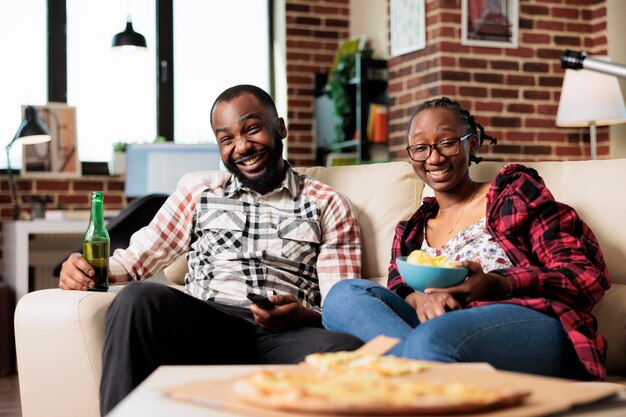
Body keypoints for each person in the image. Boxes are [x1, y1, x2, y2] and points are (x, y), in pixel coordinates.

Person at [59, 84, 363, 415]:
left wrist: (303, 314)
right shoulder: (199, 191)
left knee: (345, 348)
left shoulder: (327, 203)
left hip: (284, 334)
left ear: (280, 127)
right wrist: (87, 270)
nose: (242, 147)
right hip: (206, 325)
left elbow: (340, 304)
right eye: (227, 139)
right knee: (137, 298)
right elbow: (134, 262)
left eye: (252, 129)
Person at [322, 96, 610, 381]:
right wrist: (418, 301)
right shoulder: (410, 231)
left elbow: (584, 276)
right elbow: (399, 289)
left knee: (432, 338)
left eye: (446, 143)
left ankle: (414, 370)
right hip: (435, 327)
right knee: (344, 297)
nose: (433, 158)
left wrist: (498, 283)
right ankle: (430, 372)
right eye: (420, 148)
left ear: (471, 143)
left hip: (525, 319)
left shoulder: (514, 194)